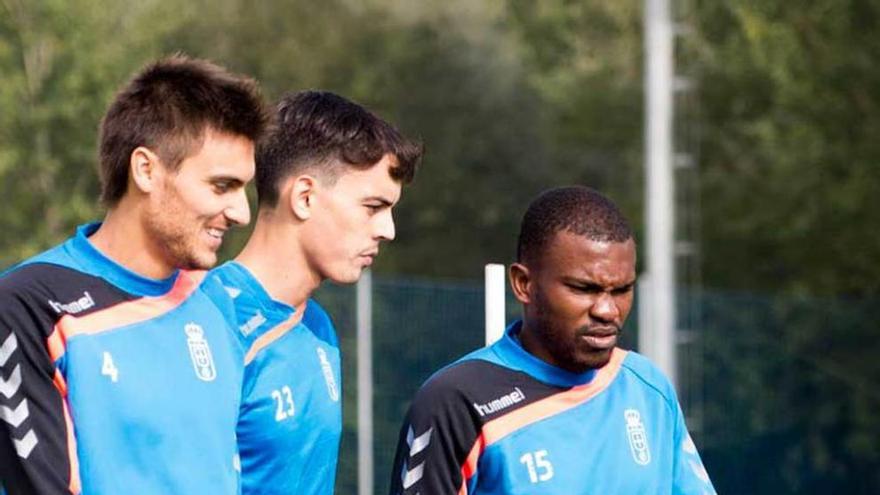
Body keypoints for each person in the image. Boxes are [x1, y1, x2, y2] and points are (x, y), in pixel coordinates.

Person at [0, 55, 268, 494]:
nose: (241, 212)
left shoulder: (217, 302)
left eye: (245, 189)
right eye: (222, 186)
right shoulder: (29, 306)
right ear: (146, 170)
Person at [388, 186, 716, 494]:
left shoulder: (648, 387)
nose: (607, 310)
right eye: (583, 288)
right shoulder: (455, 402)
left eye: (621, 290)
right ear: (523, 284)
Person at [207, 90, 422, 495]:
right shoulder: (207, 322)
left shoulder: (318, 326)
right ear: (304, 197)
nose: (387, 230)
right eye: (373, 207)